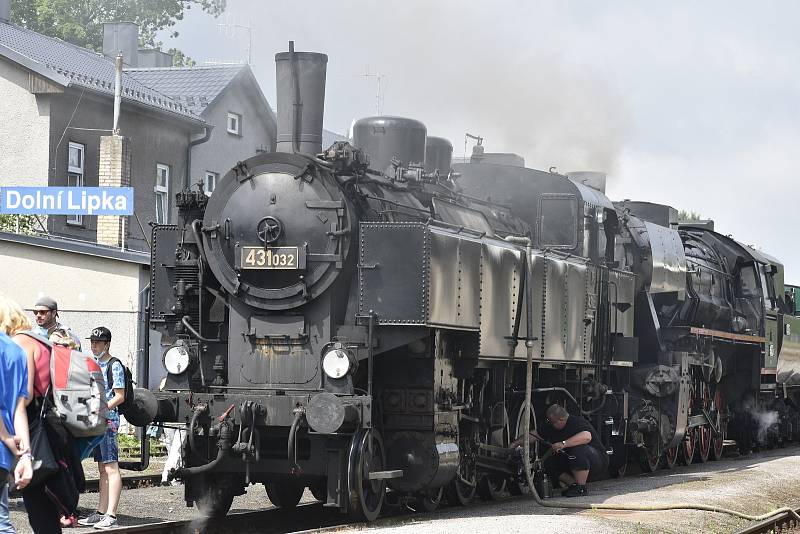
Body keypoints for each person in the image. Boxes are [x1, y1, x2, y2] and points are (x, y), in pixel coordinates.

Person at [10, 305, 64, 532]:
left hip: (32, 425)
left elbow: (26, 394)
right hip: (51, 425)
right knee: (43, 508)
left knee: (36, 504)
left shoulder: (22, 342)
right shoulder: (43, 342)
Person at [77, 327, 124, 530]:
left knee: (111, 466)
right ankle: (101, 511)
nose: (94, 345)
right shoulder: (95, 364)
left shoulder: (114, 365)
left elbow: (120, 395)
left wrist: (101, 409)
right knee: (102, 468)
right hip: (98, 421)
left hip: (109, 421)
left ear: (107, 344)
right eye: (92, 342)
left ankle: (111, 514)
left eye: (98, 342)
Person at [510, 404, 608, 497]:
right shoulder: (552, 426)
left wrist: (563, 444)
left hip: (596, 460)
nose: (550, 424)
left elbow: (586, 436)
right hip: (572, 461)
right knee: (548, 462)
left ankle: (581, 488)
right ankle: (574, 485)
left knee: (578, 451)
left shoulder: (577, 423)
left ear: (561, 420)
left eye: (552, 422)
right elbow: (534, 435)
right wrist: (515, 443)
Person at [0, 295, 34, 533]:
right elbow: (19, 407)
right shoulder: (16, 351)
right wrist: (25, 456)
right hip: (4, 455)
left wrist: (4, 436)